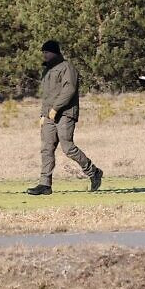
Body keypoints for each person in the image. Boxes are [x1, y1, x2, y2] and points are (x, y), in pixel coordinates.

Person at [26, 40, 102, 195]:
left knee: (68, 148)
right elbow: (47, 96)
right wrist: (43, 114)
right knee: (46, 148)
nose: (44, 55)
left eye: (47, 52)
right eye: (43, 52)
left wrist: (56, 108)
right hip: (49, 115)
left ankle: (93, 172)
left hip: (65, 113)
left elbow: (69, 90)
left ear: (55, 52)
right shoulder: (46, 71)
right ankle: (45, 184)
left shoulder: (67, 68)